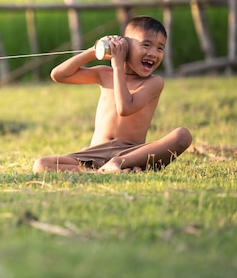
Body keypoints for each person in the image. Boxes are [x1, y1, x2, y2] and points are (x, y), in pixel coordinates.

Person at [33, 16, 192, 173]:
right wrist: (94, 51)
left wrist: (117, 66)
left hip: (131, 153)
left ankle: (117, 163)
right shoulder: (104, 74)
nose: (153, 53)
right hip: (94, 152)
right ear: (126, 47)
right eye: (146, 45)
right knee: (41, 164)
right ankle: (101, 171)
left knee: (182, 135)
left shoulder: (154, 82)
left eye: (160, 48)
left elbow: (124, 108)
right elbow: (58, 75)